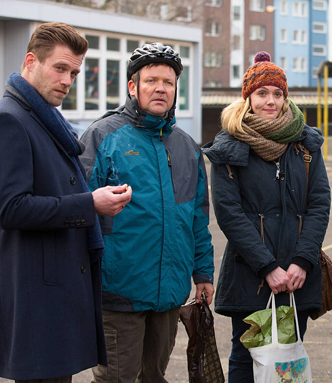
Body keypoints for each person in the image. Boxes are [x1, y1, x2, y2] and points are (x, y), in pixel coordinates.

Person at [0, 22, 132, 382]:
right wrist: (88, 204)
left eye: (74, 73)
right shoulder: (7, 121)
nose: (68, 80)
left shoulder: (44, 120)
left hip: (53, 296)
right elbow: (10, 209)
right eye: (60, 68)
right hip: (34, 302)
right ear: (31, 62)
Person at [79, 42, 215, 383]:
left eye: (168, 82)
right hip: (118, 292)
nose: (160, 88)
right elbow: (79, 211)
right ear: (132, 87)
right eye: (151, 80)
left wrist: (203, 273)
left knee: (154, 377)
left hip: (169, 293)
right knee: (116, 379)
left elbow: (197, 218)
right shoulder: (102, 136)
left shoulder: (187, 147)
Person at [202, 51, 331, 382]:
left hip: (296, 275)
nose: (270, 100)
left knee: (285, 358)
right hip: (251, 275)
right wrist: (268, 267)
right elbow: (229, 214)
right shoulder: (229, 147)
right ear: (248, 98)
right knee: (247, 357)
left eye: (277, 93)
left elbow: (319, 204)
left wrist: (302, 261)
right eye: (262, 93)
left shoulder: (305, 146)